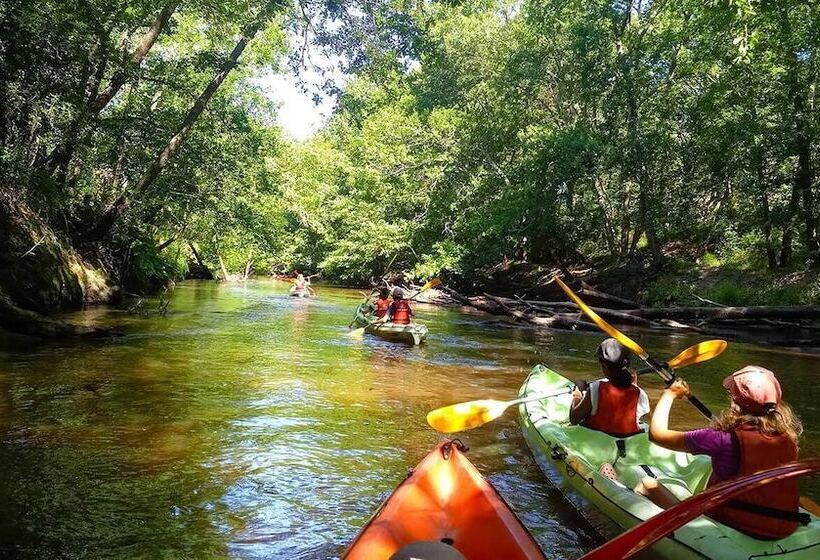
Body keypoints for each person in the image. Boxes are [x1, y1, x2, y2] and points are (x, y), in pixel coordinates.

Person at [636, 365, 804, 540]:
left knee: (647, 484)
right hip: (783, 526)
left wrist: (669, 394)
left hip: (734, 521)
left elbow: (656, 435)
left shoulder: (722, 439)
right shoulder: (788, 440)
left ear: (734, 401)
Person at [569, 338, 650, 438]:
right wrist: (634, 386)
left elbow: (574, 418)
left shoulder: (595, 388)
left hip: (599, 442)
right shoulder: (640, 393)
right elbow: (641, 412)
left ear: (605, 366)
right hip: (627, 442)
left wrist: (577, 392)